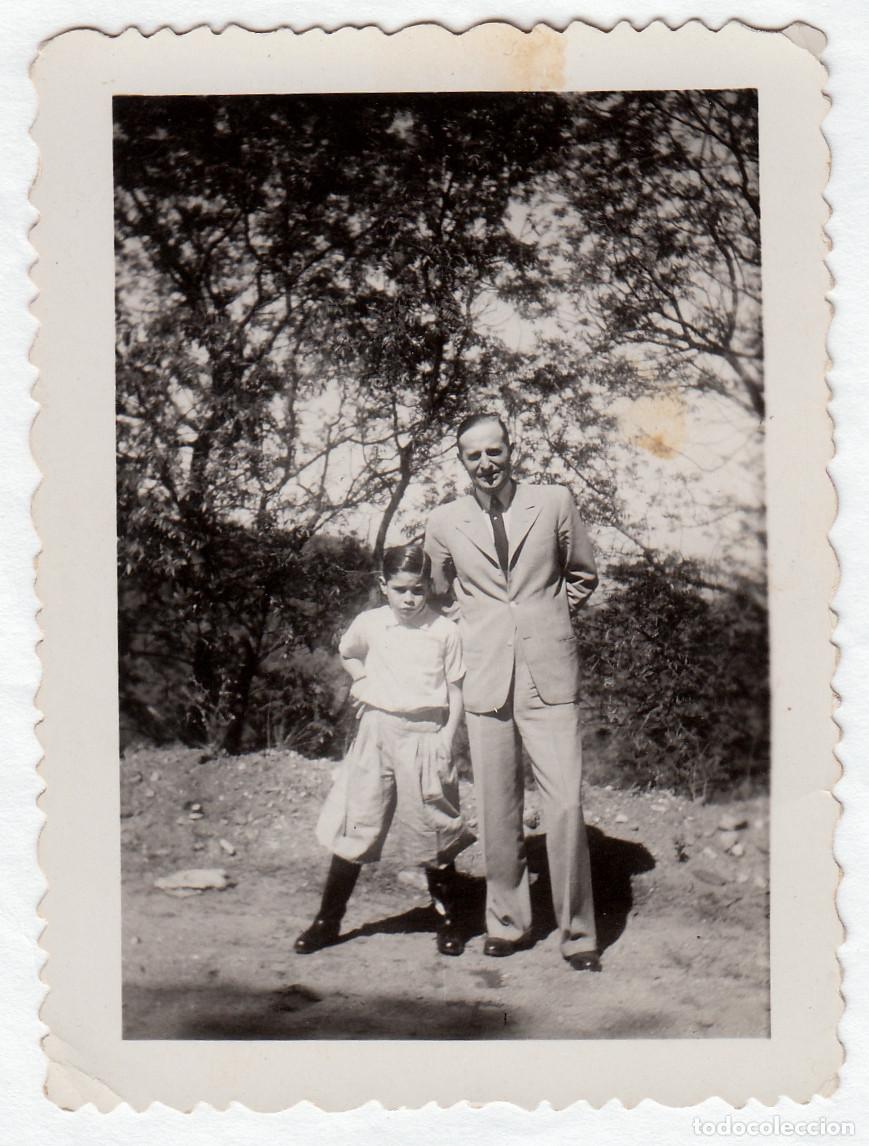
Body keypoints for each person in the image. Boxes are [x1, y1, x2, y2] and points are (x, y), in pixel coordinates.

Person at [424, 413, 601, 971]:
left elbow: (582, 575)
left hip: (548, 672)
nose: (486, 463)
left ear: (511, 450)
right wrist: (478, 625)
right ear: (462, 461)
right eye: (473, 455)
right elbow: (436, 590)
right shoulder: (444, 519)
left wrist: (543, 620)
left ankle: (578, 934)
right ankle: (507, 922)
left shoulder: (553, 501)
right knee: (497, 805)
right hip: (485, 673)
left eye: (494, 452)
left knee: (566, 801)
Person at [294, 543, 475, 958]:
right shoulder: (370, 623)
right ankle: (327, 920)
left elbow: (456, 688)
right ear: (383, 586)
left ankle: (449, 920)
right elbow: (347, 653)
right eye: (399, 589)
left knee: (434, 827)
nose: (409, 599)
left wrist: (447, 735)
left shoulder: (444, 631)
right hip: (376, 731)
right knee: (356, 822)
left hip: (425, 734)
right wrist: (361, 680)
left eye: (417, 589)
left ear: (428, 586)